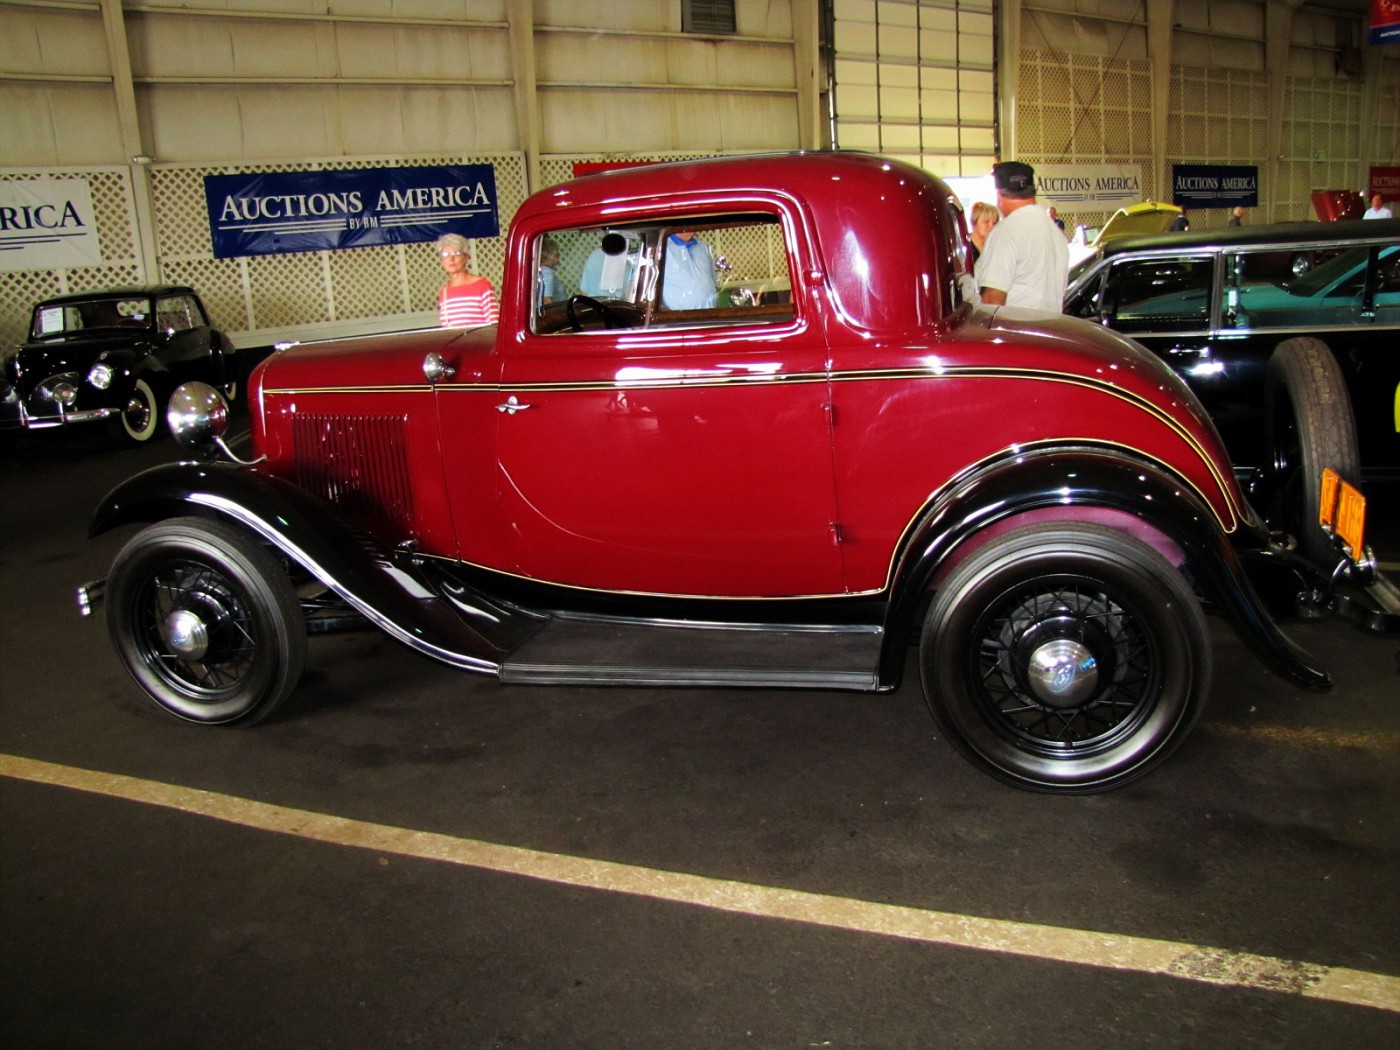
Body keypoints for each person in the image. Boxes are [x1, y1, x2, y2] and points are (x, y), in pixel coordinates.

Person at [975, 161, 1069, 313]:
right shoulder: (1056, 233)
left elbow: (992, 301)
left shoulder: (1005, 232)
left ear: (999, 194)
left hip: (1015, 332)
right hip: (1049, 331)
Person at [436, 233, 498, 327]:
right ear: (442, 261)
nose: (451, 259)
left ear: (466, 258)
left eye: (456, 253)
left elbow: (494, 325)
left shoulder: (482, 285)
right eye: (446, 254)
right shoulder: (444, 292)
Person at [661, 230, 718, 310]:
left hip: (711, 313)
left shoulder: (702, 246)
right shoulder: (663, 249)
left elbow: (712, 279)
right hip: (679, 318)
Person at [536, 236, 562, 308]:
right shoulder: (547, 273)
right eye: (556, 254)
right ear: (547, 255)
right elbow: (546, 300)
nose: (559, 256)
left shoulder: (539, 271)